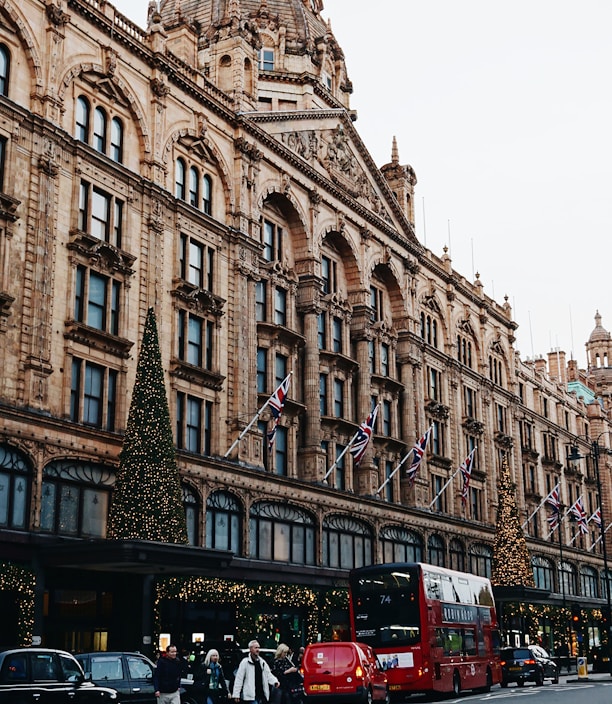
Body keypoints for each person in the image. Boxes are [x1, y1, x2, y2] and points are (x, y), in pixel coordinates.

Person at [232, 640, 279, 704]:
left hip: (261, 695)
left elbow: (268, 674)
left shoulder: (262, 662)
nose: (258, 650)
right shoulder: (245, 662)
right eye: (256, 648)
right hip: (250, 696)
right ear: (250, 649)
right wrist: (236, 694)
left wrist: (274, 681)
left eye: (258, 648)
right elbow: (239, 679)